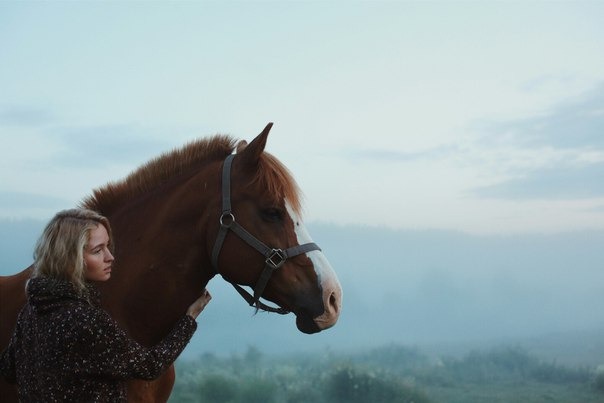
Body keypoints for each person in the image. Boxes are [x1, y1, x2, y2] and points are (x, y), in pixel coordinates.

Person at [0, 208, 211, 402]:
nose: (110, 257)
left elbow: (9, 369)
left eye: (107, 247)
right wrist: (189, 319)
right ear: (70, 258)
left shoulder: (30, 312)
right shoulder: (85, 321)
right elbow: (150, 366)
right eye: (98, 250)